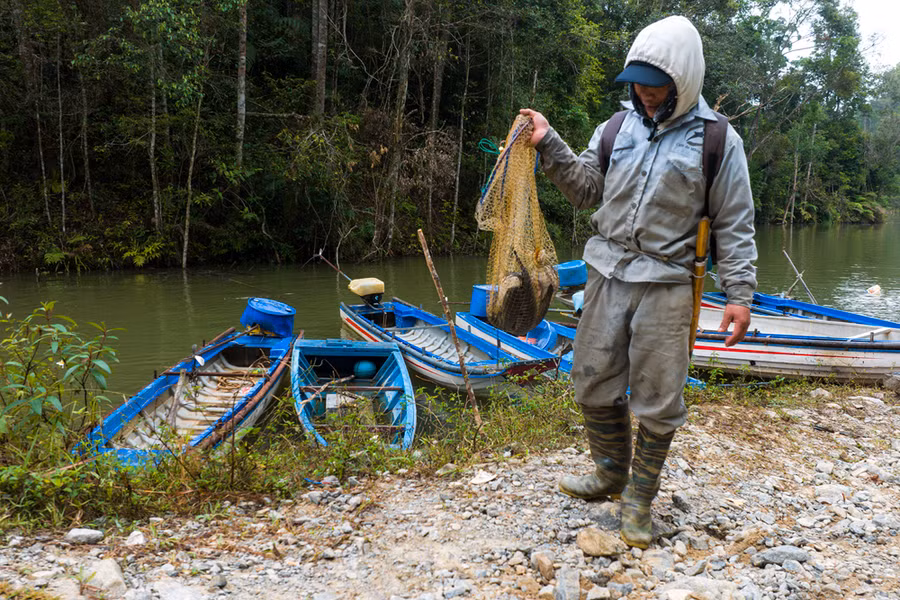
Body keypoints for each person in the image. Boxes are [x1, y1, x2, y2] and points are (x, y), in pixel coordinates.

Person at [520, 15, 757, 548]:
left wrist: (739, 295)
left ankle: (639, 499)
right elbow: (586, 190)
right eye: (638, 85)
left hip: (669, 282)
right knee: (591, 380)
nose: (646, 95)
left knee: (658, 396)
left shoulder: (717, 140)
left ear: (683, 81)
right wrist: (548, 142)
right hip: (607, 271)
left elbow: (734, 223)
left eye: (656, 86)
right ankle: (609, 473)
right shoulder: (615, 128)